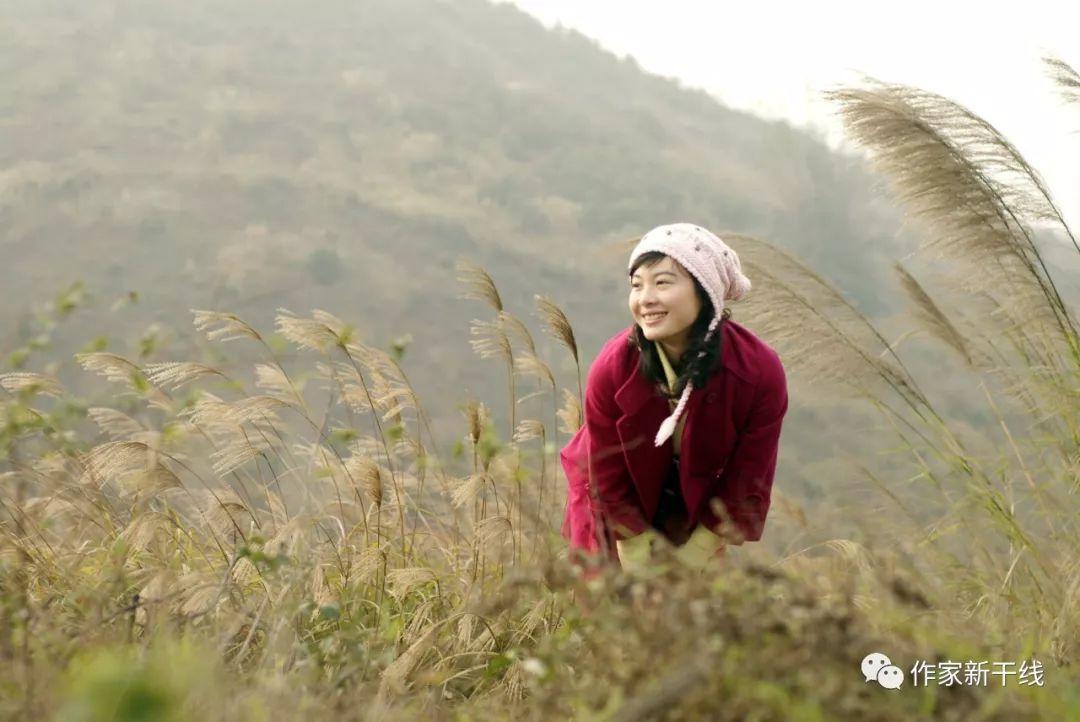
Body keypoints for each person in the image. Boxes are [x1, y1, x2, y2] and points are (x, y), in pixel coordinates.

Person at [560, 222, 788, 570]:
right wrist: (636, 562)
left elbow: (748, 479)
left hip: (695, 505)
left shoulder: (758, 372)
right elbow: (606, 476)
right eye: (637, 286)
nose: (645, 299)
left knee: (692, 612)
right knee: (610, 608)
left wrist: (695, 556)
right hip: (610, 503)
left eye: (662, 282)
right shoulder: (615, 366)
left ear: (705, 291)